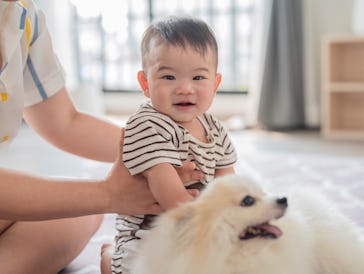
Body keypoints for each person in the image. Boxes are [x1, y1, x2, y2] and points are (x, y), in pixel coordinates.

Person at [0, 1, 202, 273]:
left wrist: (157, 152)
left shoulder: (23, 16)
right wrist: (109, 194)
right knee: (89, 200)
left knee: (81, 213)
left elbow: (64, 122)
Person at [105, 15, 237, 274]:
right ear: (145, 83)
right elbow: (172, 198)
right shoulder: (147, 124)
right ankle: (111, 258)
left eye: (198, 78)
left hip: (199, 228)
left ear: (215, 83)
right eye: (168, 77)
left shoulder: (214, 128)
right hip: (149, 236)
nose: (185, 88)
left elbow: (228, 183)